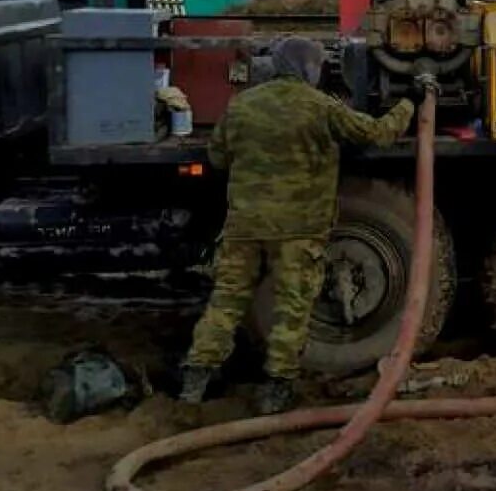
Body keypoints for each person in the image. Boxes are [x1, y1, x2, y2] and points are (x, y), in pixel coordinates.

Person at [179, 37, 418, 414]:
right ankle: (275, 390)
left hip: (245, 227)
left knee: (225, 303)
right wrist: (410, 102)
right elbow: (379, 134)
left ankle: (195, 382)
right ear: (311, 69)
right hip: (298, 230)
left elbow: (218, 157)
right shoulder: (320, 107)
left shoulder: (242, 105)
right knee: (291, 309)